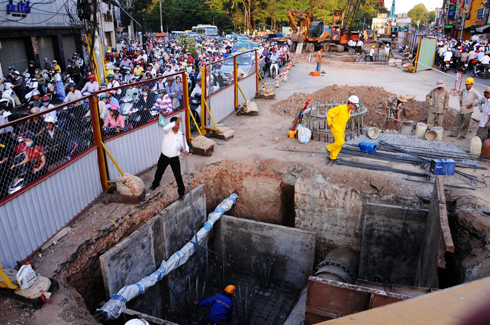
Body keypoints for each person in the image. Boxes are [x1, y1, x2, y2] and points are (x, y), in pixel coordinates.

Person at [149, 116, 188, 199]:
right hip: (164, 157)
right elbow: (165, 127)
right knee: (159, 171)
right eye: (176, 124)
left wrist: (186, 150)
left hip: (174, 158)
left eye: (178, 124)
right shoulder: (167, 132)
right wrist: (174, 122)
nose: (177, 126)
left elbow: (184, 144)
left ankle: (181, 192)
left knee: (178, 175)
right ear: (172, 125)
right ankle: (155, 184)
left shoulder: (181, 135)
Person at [326, 95, 359, 161]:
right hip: (335, 127)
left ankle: (333, 157)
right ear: (350, 103)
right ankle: (328, 148)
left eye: (355, 106)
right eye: (354, 105)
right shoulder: (341, 108)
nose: (355, 107)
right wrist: (329, 123)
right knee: (341, 142)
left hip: (341, 129)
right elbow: (330, 112)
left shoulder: (349, 111)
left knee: (338, 144)